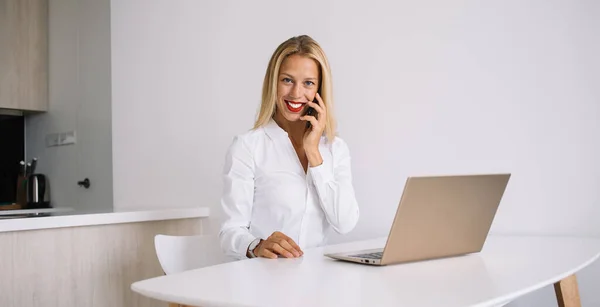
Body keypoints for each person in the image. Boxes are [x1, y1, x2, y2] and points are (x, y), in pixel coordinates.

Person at [219, 35, 359, 260]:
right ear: (273, 83)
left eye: (308, 83)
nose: (296, 93)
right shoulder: (247, 147)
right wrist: (257, 245)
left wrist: (314, 153)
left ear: (319, 90)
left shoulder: (336, 149)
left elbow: (345, 223)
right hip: (265, 278)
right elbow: (229, 232)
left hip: (318, 279)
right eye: (287, 80)